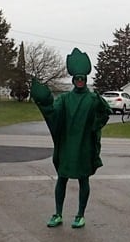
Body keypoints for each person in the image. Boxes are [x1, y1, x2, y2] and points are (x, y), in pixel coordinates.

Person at [30, 48, 111, 229]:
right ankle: (58, 213)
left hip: (84, 145)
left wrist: (100, 111)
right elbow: (53, 113)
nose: (80, 81)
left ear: (86, 79)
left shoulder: (92, 98)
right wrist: (43, 101)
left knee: (83, 179)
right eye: (77, 78)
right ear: (73, 80)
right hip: (67, 145)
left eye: (83, 78)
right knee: (62, 178)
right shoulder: (65, 99)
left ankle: (80, 215)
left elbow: (104, 114)